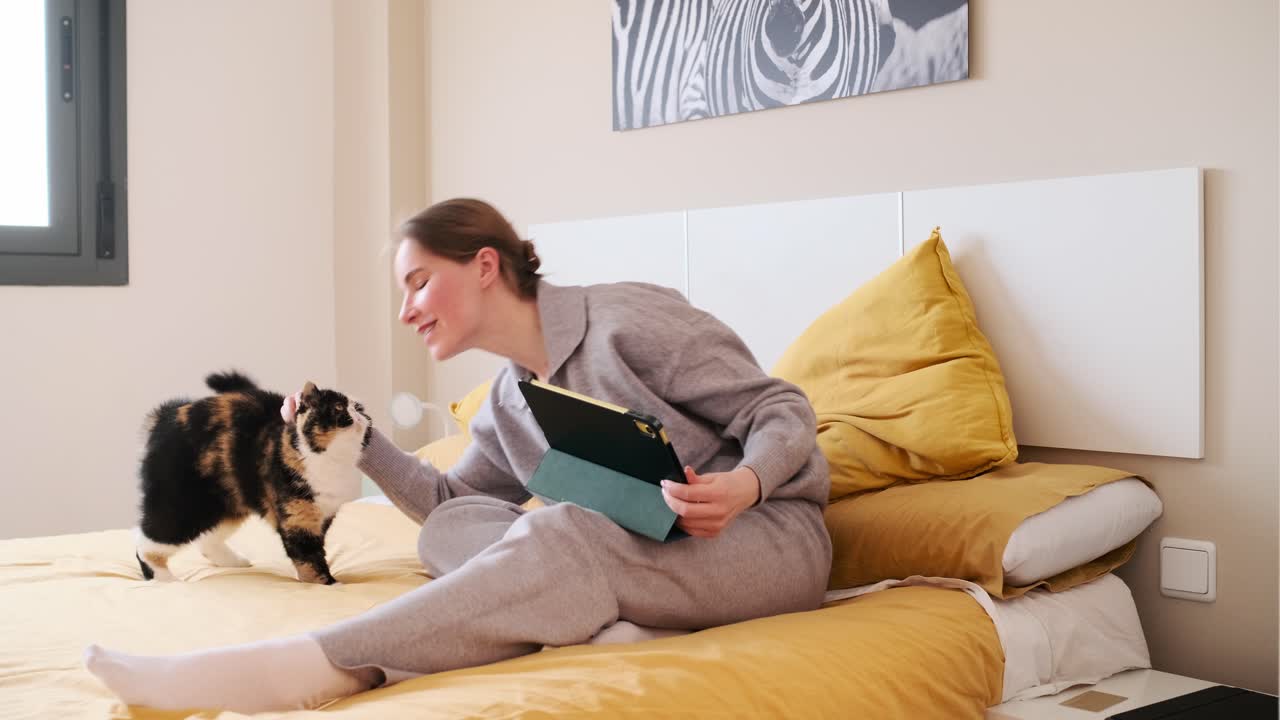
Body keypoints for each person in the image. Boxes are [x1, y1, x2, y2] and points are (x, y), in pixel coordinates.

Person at [84, 198, 832, 712]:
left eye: (418, 283)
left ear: (482, 265)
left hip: (761, 541)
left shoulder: (625, 320)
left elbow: (781, 408)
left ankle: (316, 665)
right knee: (451, 533)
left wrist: (745, 483)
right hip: (645, 553)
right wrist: (363, 441)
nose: (406, 309)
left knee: (560, 532)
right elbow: (449, 505)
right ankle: (616, 621)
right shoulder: (511, 397)